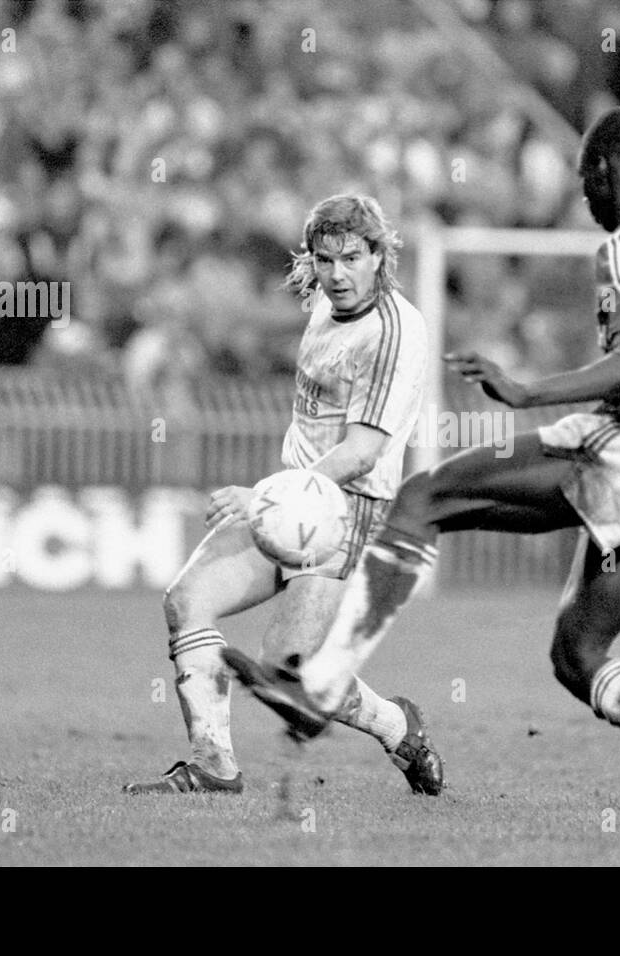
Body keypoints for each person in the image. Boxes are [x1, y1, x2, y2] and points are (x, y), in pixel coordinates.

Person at [224, 107, 620, 832]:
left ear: (611, 170)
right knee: (577, 654)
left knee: (423, 497)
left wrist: (529, 391)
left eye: (587, 184)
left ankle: (322, 687)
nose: (587, 203)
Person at [124, 194, 444, 796]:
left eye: (352, 258)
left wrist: (268, 496)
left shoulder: (397, 332)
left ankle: (399, 728)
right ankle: (214, 765)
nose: (337, 273)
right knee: (186, 601)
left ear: (380, 256)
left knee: (285, 673)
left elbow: (362, 451)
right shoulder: (325, 298)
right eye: (325, 259)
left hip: (347, 509)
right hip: (290, 499)